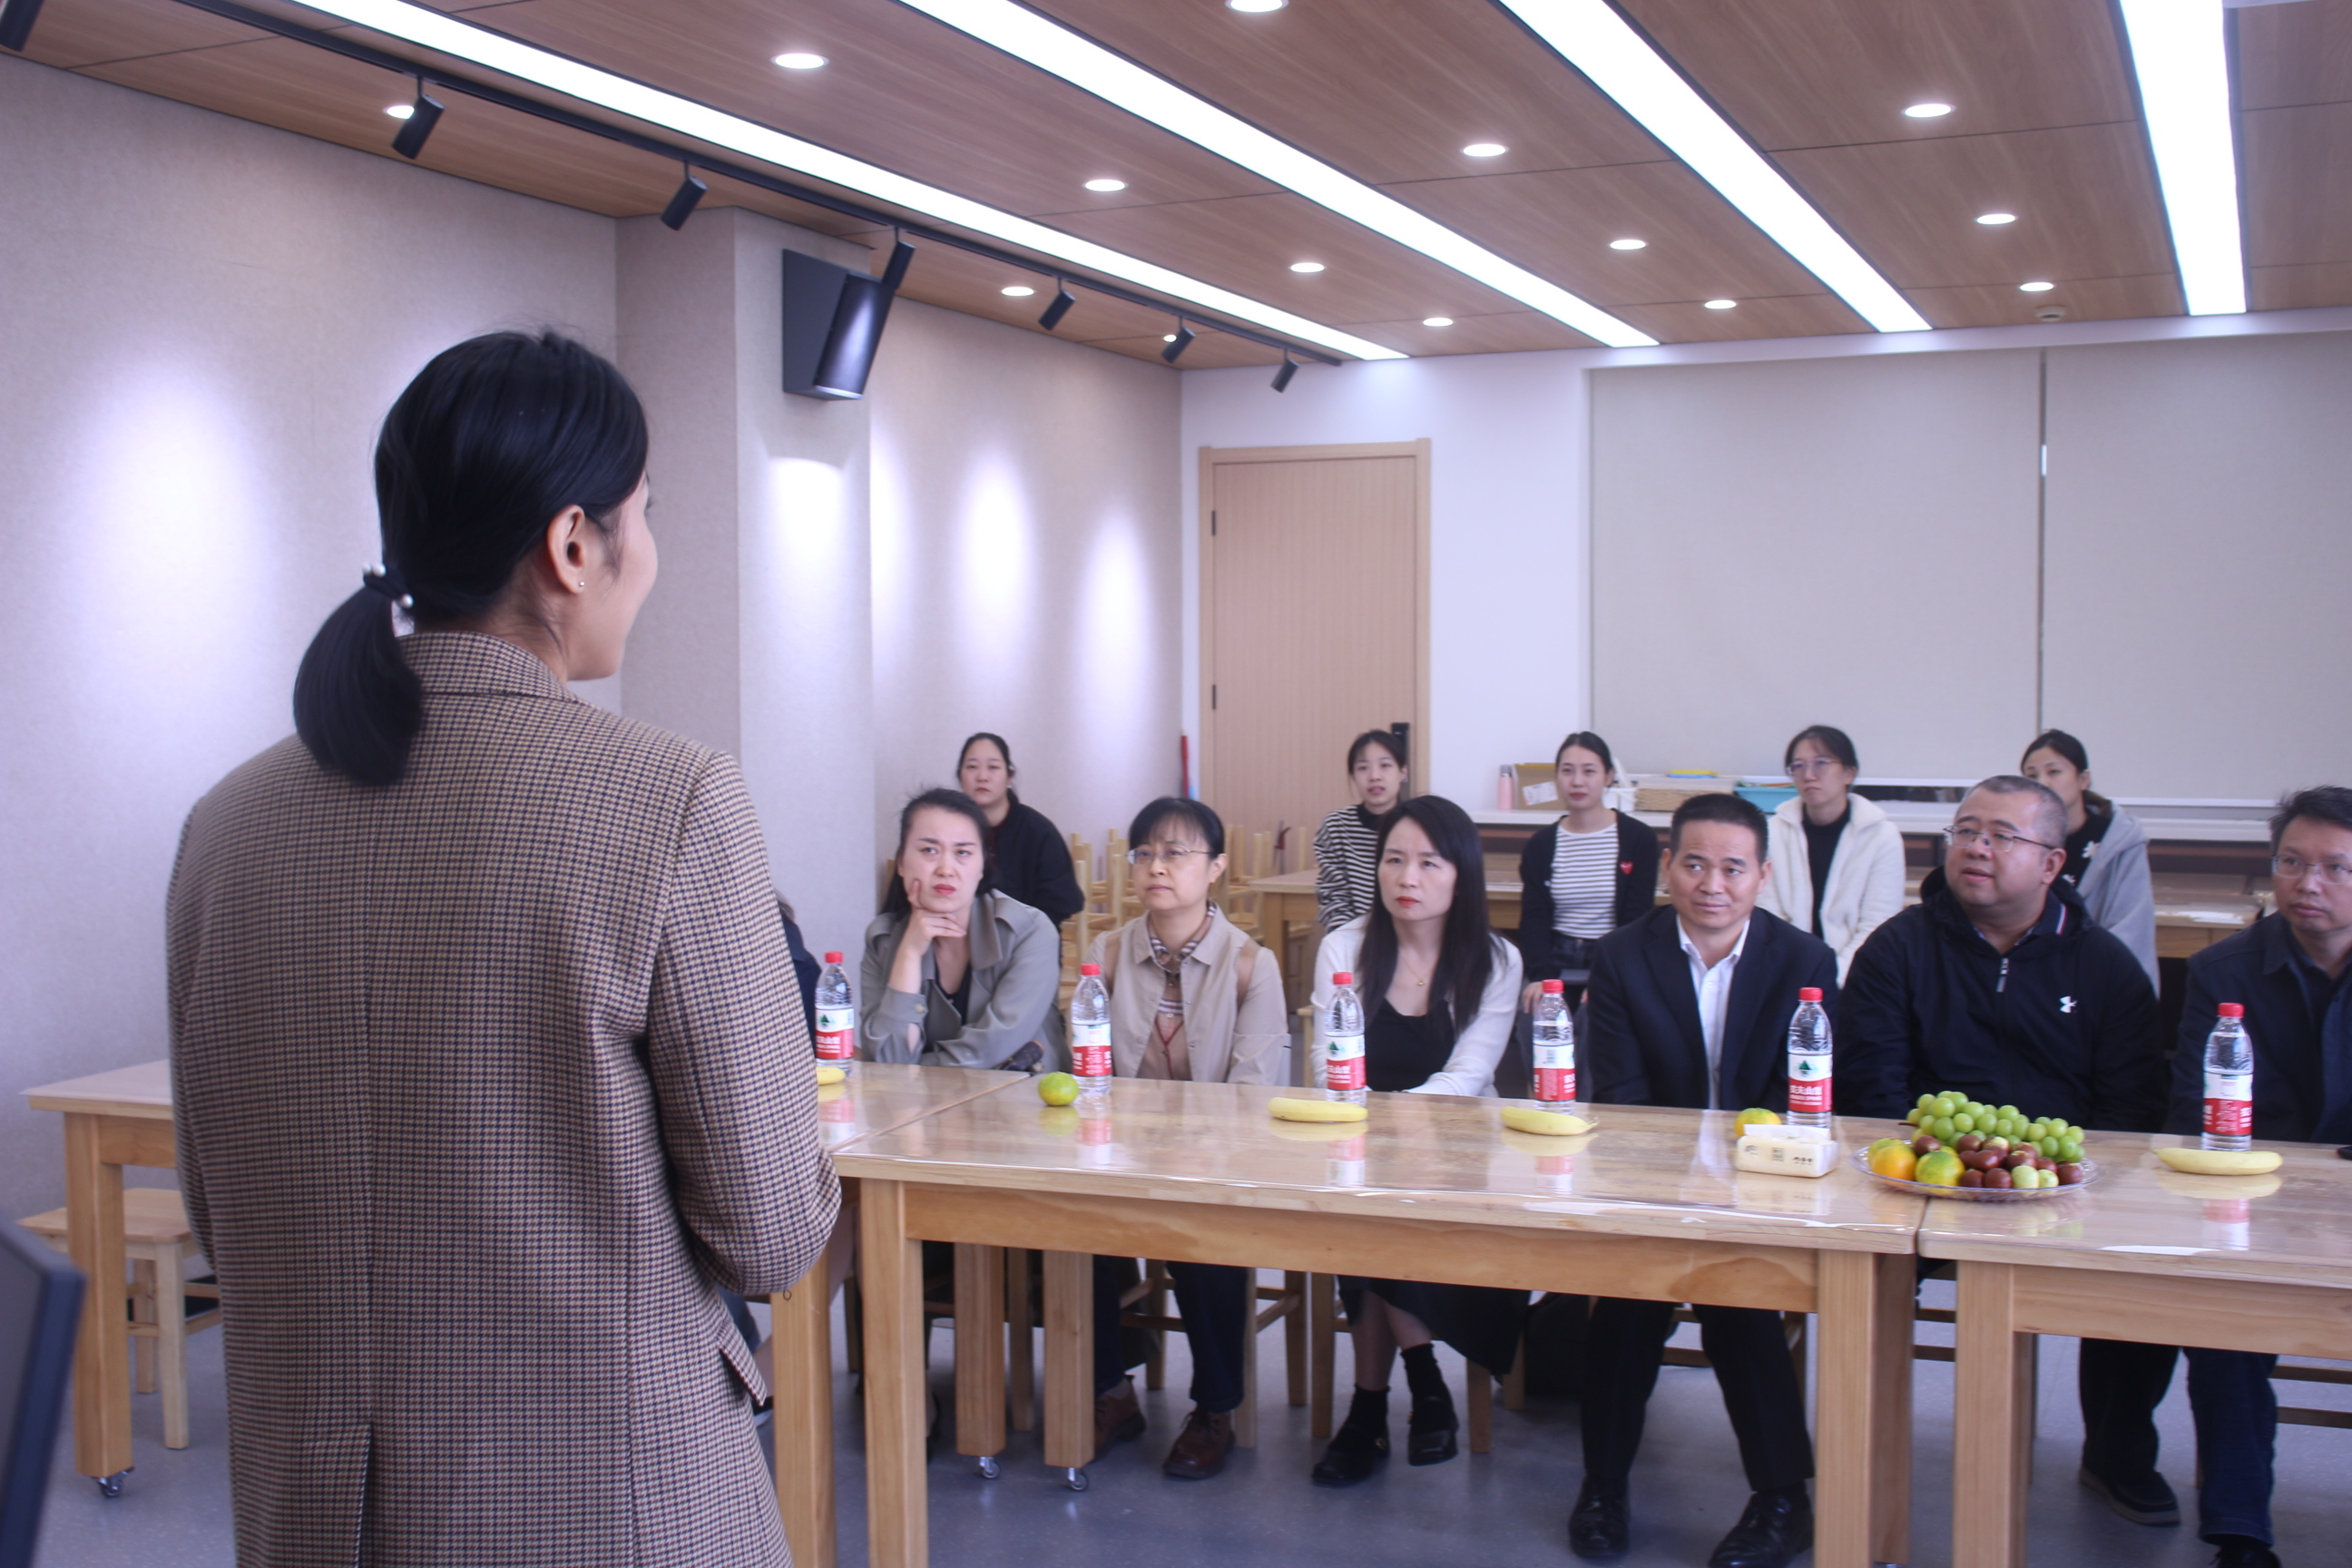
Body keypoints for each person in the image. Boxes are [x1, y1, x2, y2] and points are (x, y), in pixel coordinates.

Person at [167, 331, 838, 1567]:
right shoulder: (673, 800)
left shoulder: (226, 825)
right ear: (573, 545)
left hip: (316, 1514)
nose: (654, 553)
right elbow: (768, 1232)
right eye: (646, 514)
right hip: (610, 1508)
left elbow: (220, 1211)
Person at [1836, 774, 2170, 1529]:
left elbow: (2131, 1110)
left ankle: (2117, 1449)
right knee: (1854, 1260)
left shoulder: (2104, 967)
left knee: (2147, 1268)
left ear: (2052, 864)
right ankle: (1859, 1449)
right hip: (1923, 1183)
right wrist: (1934, 1170)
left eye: (2000, 836)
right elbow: (1871, 1092)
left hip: (2066, 1189)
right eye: (1966, 831)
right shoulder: (1897, 950)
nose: (1976, 848)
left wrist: (2070, 1180)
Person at [1572, 792, 1838, 1568]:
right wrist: (1683, 1190)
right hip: (1650, 1181)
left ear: (1762, 875)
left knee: (1738, 1302)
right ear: (1667, 866)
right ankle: (1603, 1484)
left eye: (1732, 868)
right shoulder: (1624, 955)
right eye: (1694, 864)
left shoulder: (1804, 961)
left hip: (1764, 1187)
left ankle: (1783, 1499)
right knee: (1626, 1301)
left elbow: (1803, 1097)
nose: (1712, 885)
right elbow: (1620, 1099)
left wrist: (1734, 1191)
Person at [2095, 786, 2352, 1568]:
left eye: (2334, 868)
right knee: (2224, 1326)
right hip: (2256, 1209)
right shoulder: (2222, 971)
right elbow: (2193, 1116)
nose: (2308, 883)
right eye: (2291, 863)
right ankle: (2241, 1534)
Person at [1305, 795, 1525, 1485]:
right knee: (1367, 1207)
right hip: (1359, 1147)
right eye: (1395, 859)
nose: (1408, 877)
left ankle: (1370, 1409)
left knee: (1374, 1215)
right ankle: (1423, 1384)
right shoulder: (1345, 947)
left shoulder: (1496, 959)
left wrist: (1391, 1126)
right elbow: (1328, 1066)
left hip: (1461, 1157)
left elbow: (1468, 1076)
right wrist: (1377, 1133)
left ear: (1461, 874)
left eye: (1429, 863)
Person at [1083, 798, 1289, 1480]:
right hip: (1121, 1158)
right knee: (1069, 1226)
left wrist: (1185, 1155)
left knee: (1207, 1238)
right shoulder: (1109, 953)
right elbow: (1088, 1072)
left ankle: (1215, 1407)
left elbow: (1251, 1094)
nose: (1157, 867)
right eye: (1145, 853)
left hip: (1213, 1160)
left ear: (1216, 867)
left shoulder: (1252, 964)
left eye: (1176, 853)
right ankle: (1111, 1391)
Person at [860, 788, 1063, 1071]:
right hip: (918, 1099)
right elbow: (888, 1059)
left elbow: (991, 1048)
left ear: (982, 867)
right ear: (902, 862)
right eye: (929, 850)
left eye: (963, 853)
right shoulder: (882, 939)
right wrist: (909, 953)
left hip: (1026, 1094)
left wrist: (913, 1072)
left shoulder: (1029, 932)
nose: (946, 869)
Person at [1514, 730, 1661, 1005]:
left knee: (1600, 1018)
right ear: (1557, 777)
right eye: (1567, 771)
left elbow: (1637, 918)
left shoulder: (1638, 839)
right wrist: (1540, 976)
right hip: (1556, 956)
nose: (1577, 781)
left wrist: (1611, 978)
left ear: (1608, 777)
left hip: (1612, 954)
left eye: (1589, 771)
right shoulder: (1541, 845)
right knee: (1537, 1014)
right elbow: (1534, 918)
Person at [1756, 724, 1906, 981]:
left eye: (1821, 763)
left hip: (1858, 976)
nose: (1808, 775)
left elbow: (1877, 927)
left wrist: (1829, 979)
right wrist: (1797, 978)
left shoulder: (1882, 837)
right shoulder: (1773, 832)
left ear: (1849, 773)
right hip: (1786, 974)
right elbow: (1768, 918)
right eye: (1798, 766)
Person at [2022, 729, 2159, 988]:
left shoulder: (2120, 840)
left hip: (2100, 978)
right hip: (2035, 977)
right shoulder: (2023, 841)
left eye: (2054, 772)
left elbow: (2131, 928)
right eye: (2031, 776)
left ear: (2083, 779)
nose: (2043, 783)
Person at [956, 731, 1085, 929]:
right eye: (972, 767)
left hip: (1028, 939)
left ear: (1009, 777)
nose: (982, 777)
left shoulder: (1038, 832)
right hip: (957, 939)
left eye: (993, 767)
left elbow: (1060, 902)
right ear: (960, 776)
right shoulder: (947, 830)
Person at [1313, 729, 1409, 930]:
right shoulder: (1336, 827)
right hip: (1353, 936)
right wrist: (1352, 941)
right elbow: (1334, 897)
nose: (1374, 776)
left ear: (1402, 772)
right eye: (1363, 768)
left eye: (1385, 766)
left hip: (1409, 935)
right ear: (1353, 776)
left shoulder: (1418, 826)